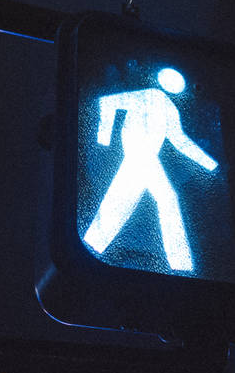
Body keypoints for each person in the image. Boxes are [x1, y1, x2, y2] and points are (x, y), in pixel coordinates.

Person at [83, 67, 218, 271]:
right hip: (137, 153)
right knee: (145, 199)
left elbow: (180, 140)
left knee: (132, 199)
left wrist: (210, 165)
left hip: (147, 157)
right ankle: (181, 264)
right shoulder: (146, 95)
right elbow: (108, 101)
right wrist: (103, 137)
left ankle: (93, 245)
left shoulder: (169, 108)